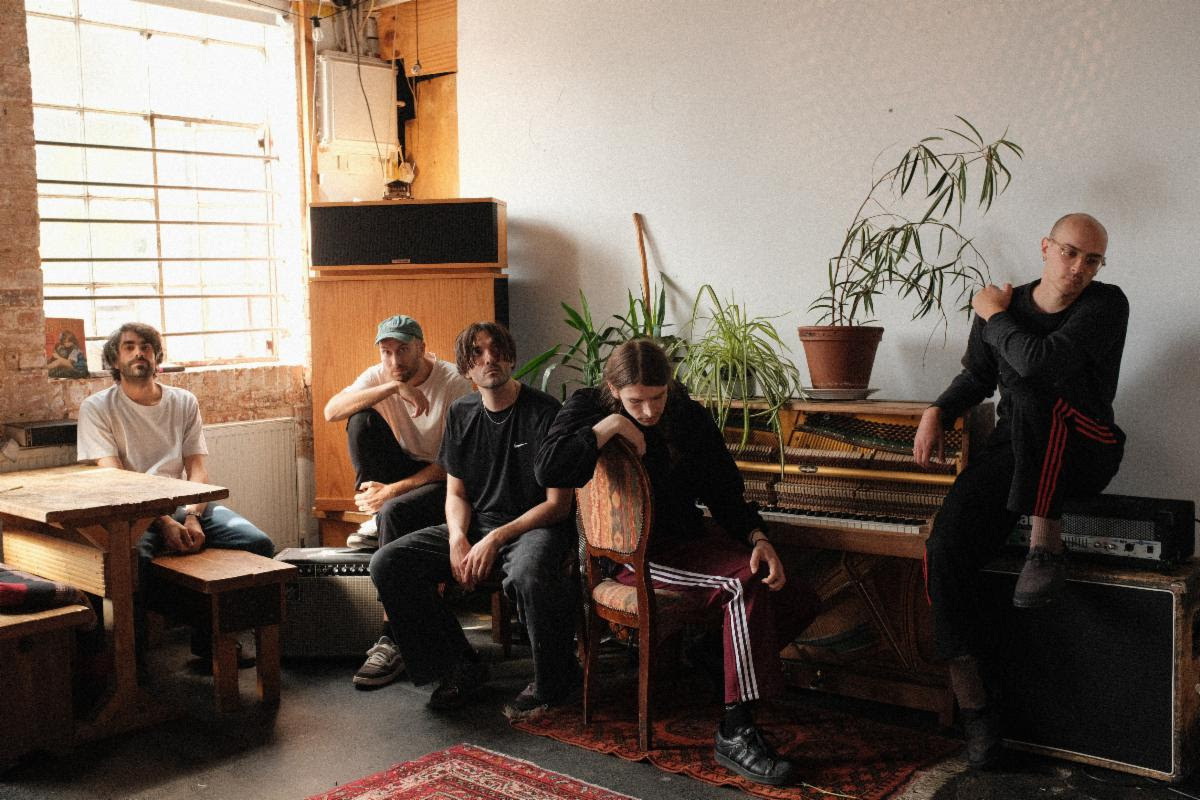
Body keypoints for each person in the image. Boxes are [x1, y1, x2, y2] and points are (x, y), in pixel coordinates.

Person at [535, 338, 821, 787]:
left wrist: (758, 536)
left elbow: (725, 492)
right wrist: (612, 425)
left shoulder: (687, 415)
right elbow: (548, 468)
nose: (649, 411)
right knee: (742, 585)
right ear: (613, 388)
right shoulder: (587, 407)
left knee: (797, 595)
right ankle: (735, 730)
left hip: (688, 544)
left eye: (658, 397)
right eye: (636, 402)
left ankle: (713, 656)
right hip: (636, 557)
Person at [914, 213, 1127, 769]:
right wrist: (938, 409)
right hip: (1018, 447)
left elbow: (1037, 365)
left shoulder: (1106, 304)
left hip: (1088, 443)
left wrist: (992, 314)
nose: (1078, 268)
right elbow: (978, 377)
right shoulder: (1010, 306)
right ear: (1045, 247)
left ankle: (1044, 545)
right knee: (945, 547)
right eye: (1070, 252)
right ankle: (977, 711)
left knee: (1035, 389)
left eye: (1092, 260)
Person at [368, 321, 578, 718]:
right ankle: (459, 666)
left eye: (496, 350)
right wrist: (457, 538)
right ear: (466, 368)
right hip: (479, 525)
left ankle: (555, 681)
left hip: (534, 527)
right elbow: (456, 493)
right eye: (477, 353)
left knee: (528, 573)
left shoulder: (545, 412)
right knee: (388, 563)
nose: (489, 359)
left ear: (510, 357)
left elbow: (558, 505)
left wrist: (496, 539)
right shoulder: (462, 413)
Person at [76, 322, 275, 667]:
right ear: (115, 359)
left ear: (157, 356)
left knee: (258, 544)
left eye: (146, 347)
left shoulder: (183, 401)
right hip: (132, 512)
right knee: (131, 565)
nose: (139, 353)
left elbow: (197, 470)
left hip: (185, 505)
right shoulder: (97, 407)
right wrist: (165, 522)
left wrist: (193, 516)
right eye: (129, 347)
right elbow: (116, 478)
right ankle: (134, 668)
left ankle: (212, 643)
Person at [323, 314, 471, 688]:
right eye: (386, 352)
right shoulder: (382, 375)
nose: (394, 360)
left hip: (445, 479)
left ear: (422, 348)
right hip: (404, 467)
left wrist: (391, 491)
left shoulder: (452, 383)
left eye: (402, 350)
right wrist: (391, 388)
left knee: (394, 509)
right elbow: (331, 411)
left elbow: (452, 465)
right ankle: (377, 513)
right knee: (360, 419)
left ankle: (392, 637)